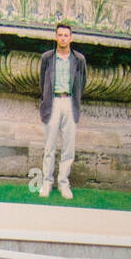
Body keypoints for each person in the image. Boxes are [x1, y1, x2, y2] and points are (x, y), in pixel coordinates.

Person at [38, 22, 87, 201]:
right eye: (60, 35)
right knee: (49, 146)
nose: (63, 38)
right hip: (53, 103)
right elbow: (42, 80)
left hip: (70, 104)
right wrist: (46, 99)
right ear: (55, 37)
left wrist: (75, 101)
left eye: (66, 35)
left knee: (68, 147)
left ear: (71, 38)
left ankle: (63, 183)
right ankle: (47, 181)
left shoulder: (79, 59)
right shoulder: (47, 58)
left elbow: (83, 82)